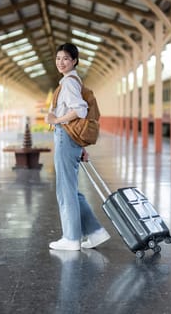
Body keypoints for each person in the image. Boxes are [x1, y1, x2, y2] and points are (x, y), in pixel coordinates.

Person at [45, 43, 110, 251]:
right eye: (58, 58)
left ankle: (71, 238)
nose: (61, 62)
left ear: (74, 61)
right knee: (71, 190)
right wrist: (79, 144)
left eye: (65, 58)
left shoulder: (69, 83)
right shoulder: (71, 81)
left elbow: (80, 111)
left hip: (65, 137)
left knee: (65, 191)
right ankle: (95, 233)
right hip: (70, 140)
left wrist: (56, 120)